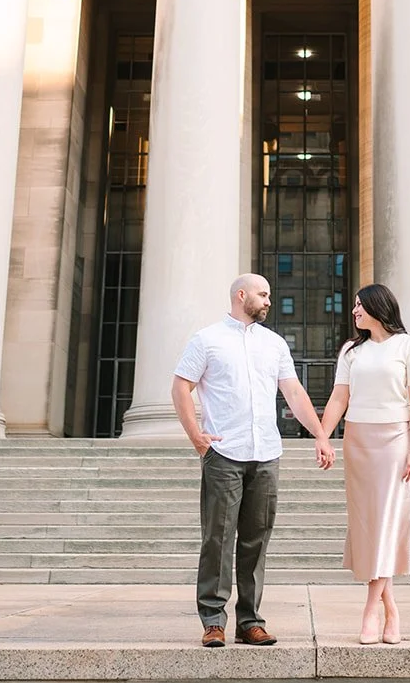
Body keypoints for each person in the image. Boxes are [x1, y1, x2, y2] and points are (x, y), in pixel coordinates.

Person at [172, 273, 335, 649]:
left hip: (266, 454)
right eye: (263, 294)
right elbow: (181, 385)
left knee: (256, 542)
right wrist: (196, 436)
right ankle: (213, 621)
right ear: (240, 295)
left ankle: (249, 621)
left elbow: (292, 391)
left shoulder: (274, 344)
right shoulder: (207, 339)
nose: (269, 301)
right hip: (224, 454)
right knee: (218, 538)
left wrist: (321, 435)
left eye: (270, 295)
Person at [317, 283, 410, 645]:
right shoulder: (351, 350)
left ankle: (371, 609)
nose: (354, 311)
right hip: (357, 441)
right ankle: (391, 606)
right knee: (368, 525)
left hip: (395, 440)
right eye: (353, 306)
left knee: (387, 521)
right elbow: (339, 398)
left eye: (360, 305)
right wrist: (322, 436)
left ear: (379, 307)